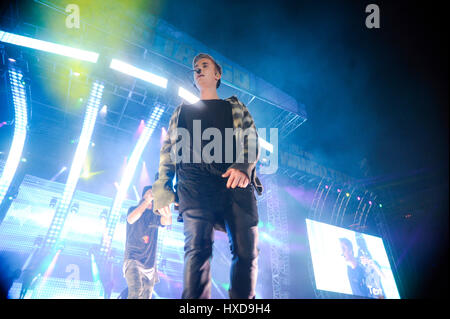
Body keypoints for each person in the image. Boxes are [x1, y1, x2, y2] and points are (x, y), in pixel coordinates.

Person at [152, 53, 263, 299]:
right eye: (195, 68)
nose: (199, 70)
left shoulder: (235, 106)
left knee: (247, 252)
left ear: (217, 74)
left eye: (205, 66)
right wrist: (163, 188)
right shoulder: (181, 111)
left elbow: (252, 139)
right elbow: (167, 152)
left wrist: (244, 166)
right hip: (194, 182)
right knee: (197, 251)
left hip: (233, 179)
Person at [123, 185, 169, 299]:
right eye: (149, 193)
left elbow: (166, 221)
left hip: (150, 265)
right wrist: (147, 200)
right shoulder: (133, 209)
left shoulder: (154, 215)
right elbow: (131, 219)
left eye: (154, 195)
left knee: (146, 296)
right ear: (143, 195)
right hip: (133, 259)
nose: (152, 196)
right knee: (135, 290)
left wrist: (167, 213)